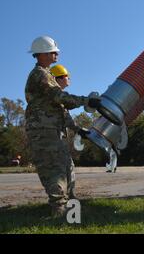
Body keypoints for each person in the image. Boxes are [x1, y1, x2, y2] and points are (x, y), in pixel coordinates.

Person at [25, 36, 101, 218]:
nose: (56, 54)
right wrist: (86, 101)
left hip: (51, 131)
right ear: (42, 54)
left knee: (66, 166)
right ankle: (59, 211)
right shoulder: (40, 75)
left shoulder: (45, 73)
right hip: (43, 132)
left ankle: (70, 206)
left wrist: (77, 128)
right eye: (53, 51)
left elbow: (60, 110)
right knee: (55, 169)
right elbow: (60, 98)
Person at [50, 64, 83, 199]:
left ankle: (68, 196)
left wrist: (80, 130)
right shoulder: (54, 94)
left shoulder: (57, 96)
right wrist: (86, 101)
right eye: (66, 76)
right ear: (59, 78)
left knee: (67, 166)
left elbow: (67, 119)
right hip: (53, 138)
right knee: (61, 168)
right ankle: (62, 200)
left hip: (58, 138)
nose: (69, 79)